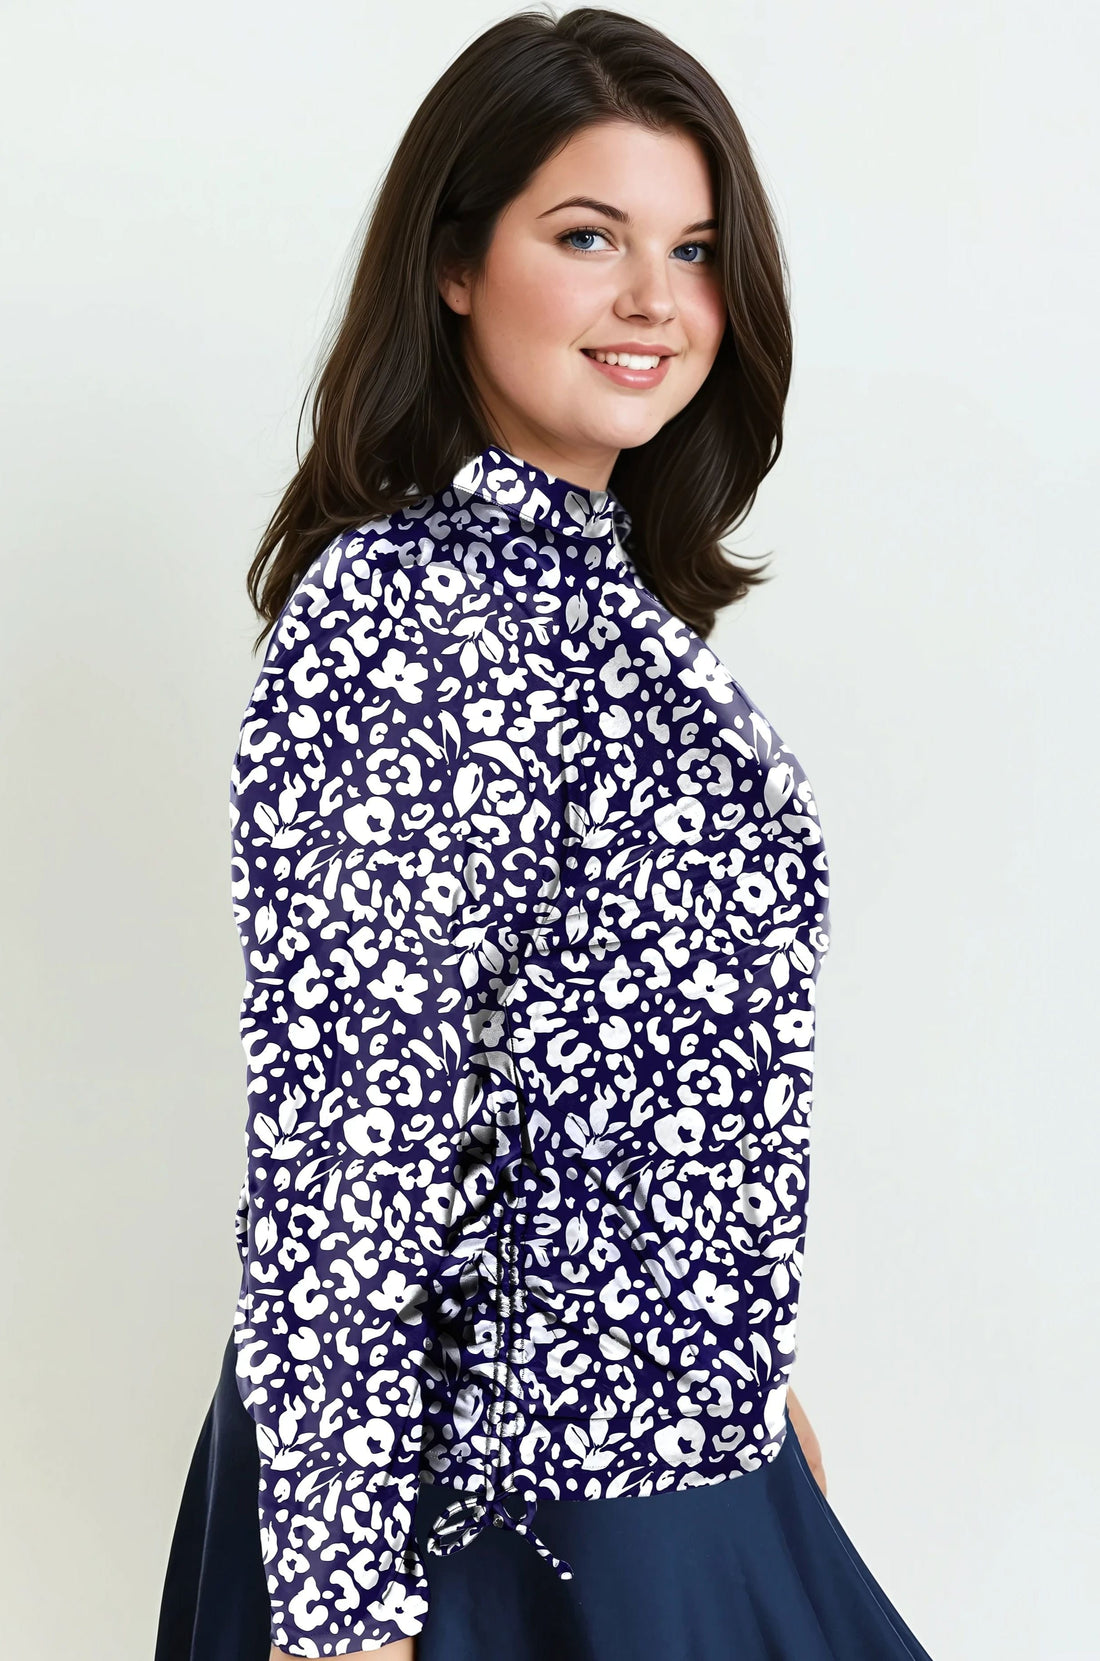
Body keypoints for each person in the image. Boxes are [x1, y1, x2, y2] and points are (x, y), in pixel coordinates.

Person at [155, 8, 936, 1659]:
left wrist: (734, 1368)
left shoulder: (603, 605)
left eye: (695, 249)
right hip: (489, 1497)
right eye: (590, 237)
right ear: (455, 264)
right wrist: (342, 1604)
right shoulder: (400, 614)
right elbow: (350, 1139)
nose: (656, 298)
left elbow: (578, 1067)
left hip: (662, 1443)